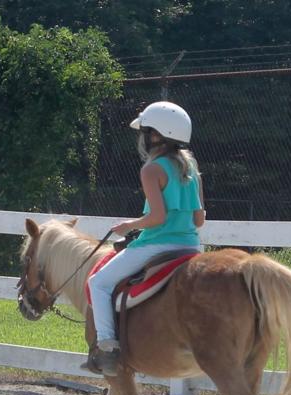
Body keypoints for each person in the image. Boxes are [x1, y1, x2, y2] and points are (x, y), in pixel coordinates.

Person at [85, 101, 206, 376]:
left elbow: (158, 218)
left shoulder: (151, 170)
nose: (143, 138)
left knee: (98, 283)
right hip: (189, 246)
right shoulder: (191, 168)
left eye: (145, 133)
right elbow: (199, 221)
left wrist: (129, 225)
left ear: (155, 135)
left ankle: (107, 347)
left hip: (155, 246)